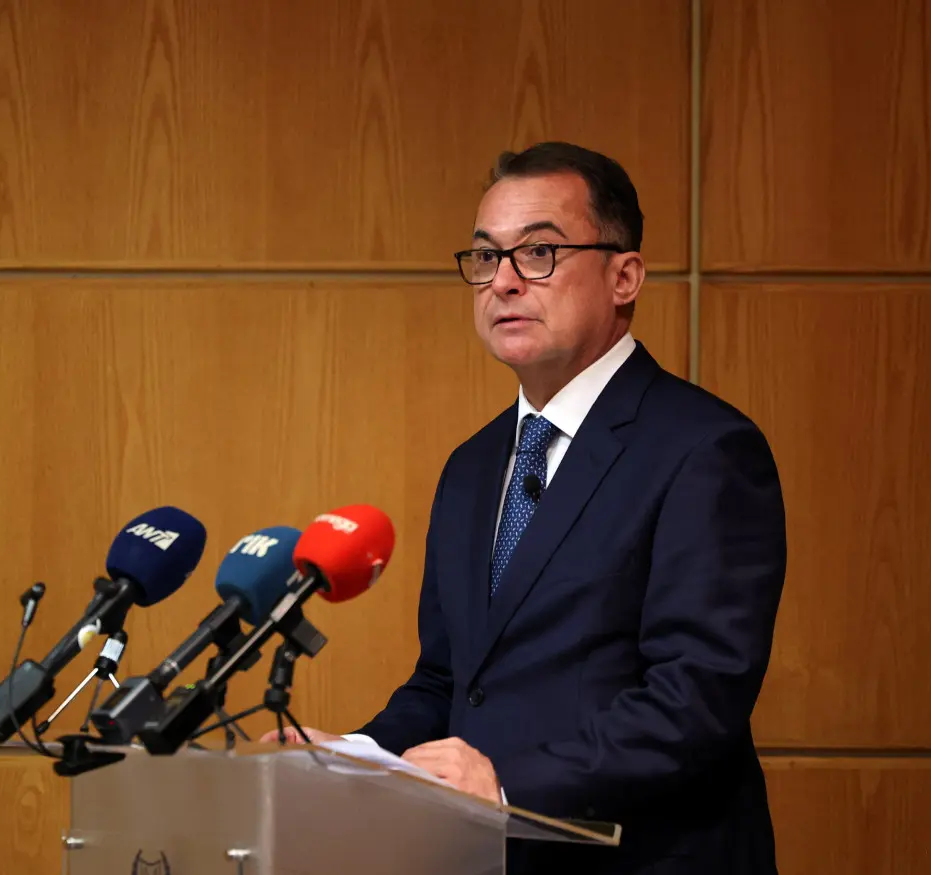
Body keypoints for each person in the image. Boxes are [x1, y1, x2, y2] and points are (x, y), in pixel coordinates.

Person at [263, 141, 787, 874]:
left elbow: (694, 699)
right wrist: (352, 757)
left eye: (538, 252)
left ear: (624, 275)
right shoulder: (474, 465)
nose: (503, 282)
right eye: (485, 257)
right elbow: (449, 681)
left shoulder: (704, 450)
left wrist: (509, 784)